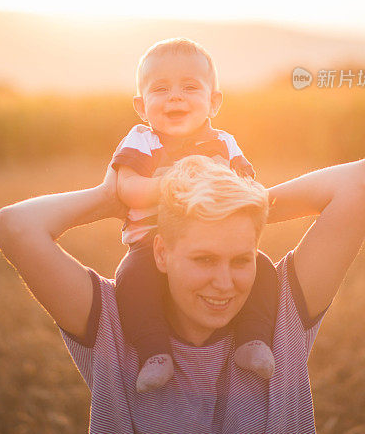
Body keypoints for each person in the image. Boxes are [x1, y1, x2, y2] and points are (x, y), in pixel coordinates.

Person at [0, 150, 365, 434]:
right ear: (162, 253)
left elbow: (364, 180)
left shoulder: (281, 313)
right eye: (204, 259)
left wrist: (241, 203)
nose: (225, 282)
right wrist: (114, 198)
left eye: (241, 260)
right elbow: (14, 226)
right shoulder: (111, 323)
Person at [110, 37, 276, 392]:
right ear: (141, 105)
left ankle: (253, 340)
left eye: (189, 87)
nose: (175, 97)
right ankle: (153, 352)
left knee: (262, 269)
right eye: (161, 89)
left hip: (212, 236)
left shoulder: (223, 143)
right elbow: (127, 188)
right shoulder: (142, 140)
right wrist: (179, 181)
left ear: (214, 101)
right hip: (149, 242)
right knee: (132, 281)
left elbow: (245, 184)